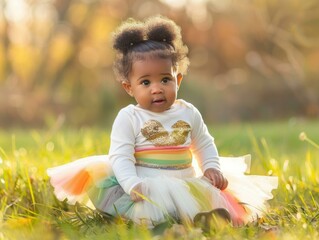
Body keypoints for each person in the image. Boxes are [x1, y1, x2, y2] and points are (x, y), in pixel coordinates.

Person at [47, 16, 278, 229]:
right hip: (146, 184)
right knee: (153, 213)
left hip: (186, 182)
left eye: (165, 79)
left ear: (178, 79)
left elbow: (204, 144)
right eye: (145, 82)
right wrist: (131, 184)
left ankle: (206, 220)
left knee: (198, 200)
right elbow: (120, 156)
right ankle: (166, 228)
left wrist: (211, 168)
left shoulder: (188, 113)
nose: (157, 88)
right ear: (129, 87)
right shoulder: (130, 118)